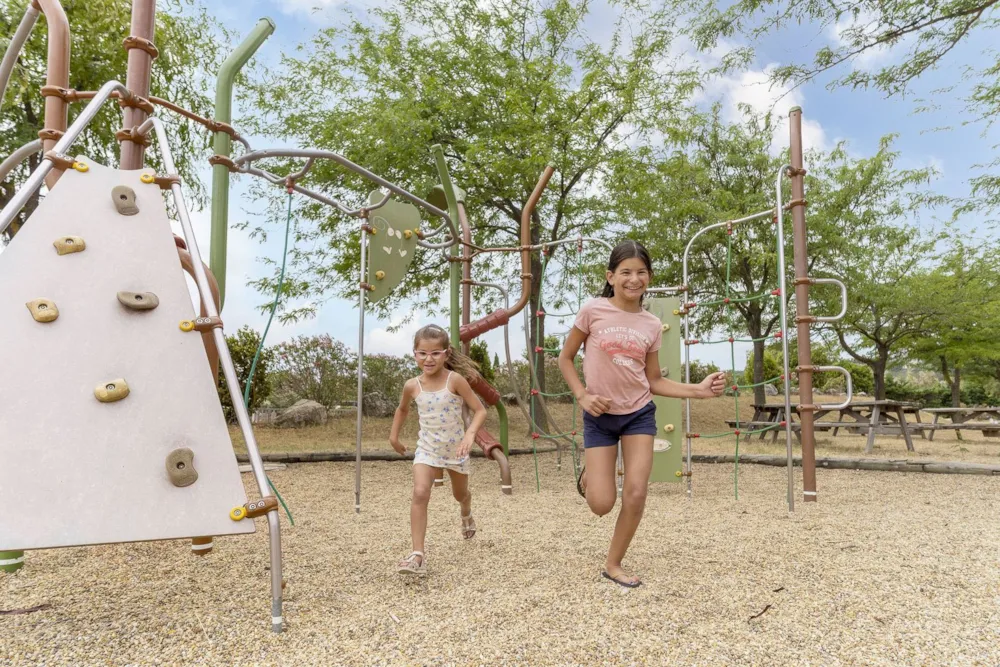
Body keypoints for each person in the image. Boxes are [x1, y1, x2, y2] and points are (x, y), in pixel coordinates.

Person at [558, 240, 726, 588]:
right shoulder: (592, 310)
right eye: (625, 272)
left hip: (638, 415)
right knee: (601, 505)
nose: (634, 279)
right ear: (611, 276)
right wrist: (582, 395)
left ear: (648, 277)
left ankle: (613, 563)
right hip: (599, 417)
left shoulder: (651, 324)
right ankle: (591, 474)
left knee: (636, 492)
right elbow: (565, 358)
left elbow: (653, 380)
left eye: (641, 272)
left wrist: (698, 390)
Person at [389, 324, 488, 576]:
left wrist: (470, 434)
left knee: (460, 494)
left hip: (456, 450)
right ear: (415, 354)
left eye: (435, 353)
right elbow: (402, 410)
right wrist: (394, 437)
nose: (428, 359)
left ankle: (466, 511)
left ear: (445, 354)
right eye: (422, 353)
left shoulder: (455, 380)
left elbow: (480, 410)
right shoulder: (412, 385)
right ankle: (417, 555)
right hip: (427, 449)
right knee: (420, 492)